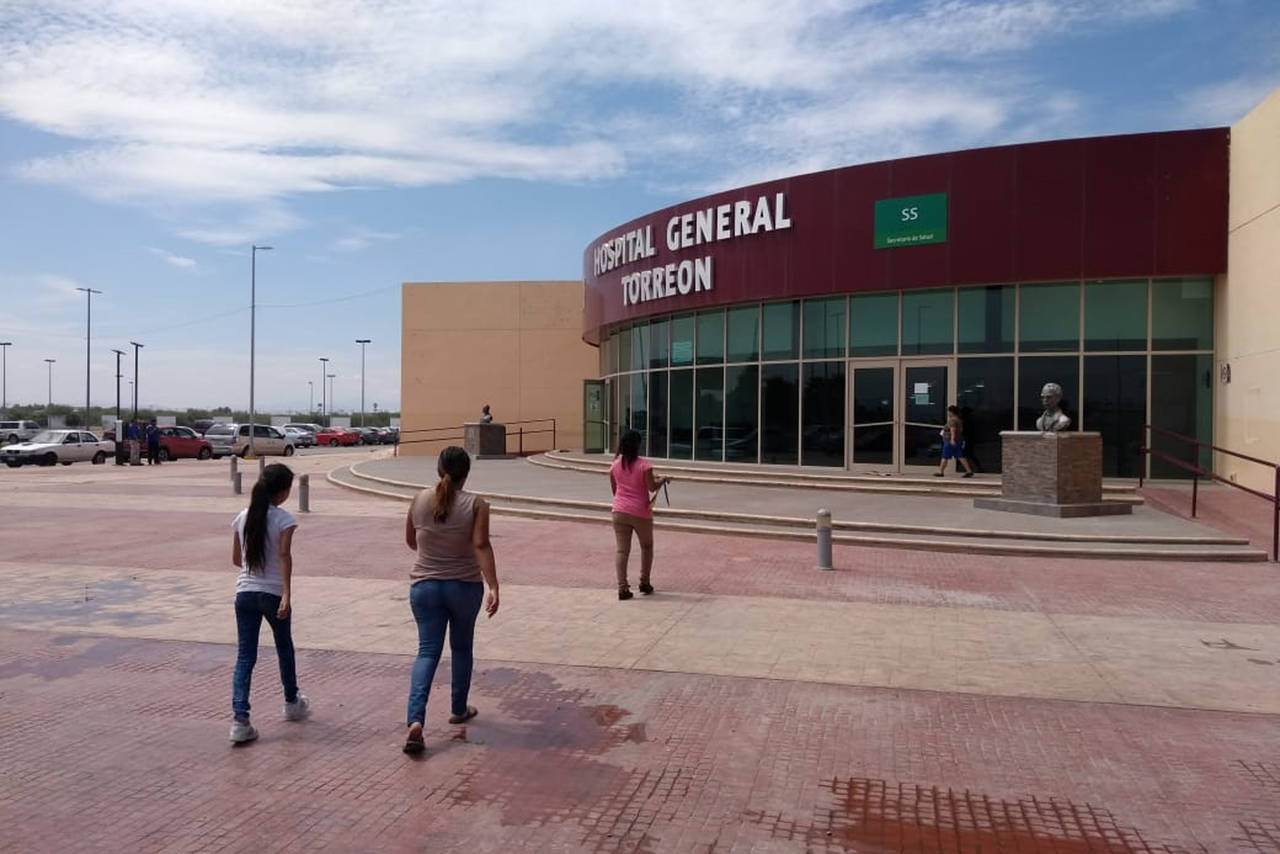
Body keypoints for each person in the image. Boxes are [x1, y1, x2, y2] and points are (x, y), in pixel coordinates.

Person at [403, 446, 500, 755]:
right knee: (461, 648)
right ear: (466, 473)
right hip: (464, 587)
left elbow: (411, 541)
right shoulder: (477, 504)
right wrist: (493, 585)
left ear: (438, 469)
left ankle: (415, 720)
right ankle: (458, 708)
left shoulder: (419, 499)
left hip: (424, 587)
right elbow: (481, 545)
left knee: (426, 652)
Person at [229, 463, 310, 744]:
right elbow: (285, 557)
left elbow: (237, 560)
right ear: (283, 491)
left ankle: (240, 720)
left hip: (244, 593)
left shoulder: (243, 517)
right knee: (284, 647)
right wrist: (286, 594)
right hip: (273, 593)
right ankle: (291, 702)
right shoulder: (284, 520)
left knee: (245, 657)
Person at [609, 429, 670, 601]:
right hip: (640, 512)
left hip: (619, 511)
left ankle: (622, 588)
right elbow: (651, 487)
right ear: (637, 445)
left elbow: (615, 490)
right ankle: (644, 582)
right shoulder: (644, 465)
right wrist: (662, 480)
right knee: (647, 546)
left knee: (622, 550)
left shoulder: (615, 465)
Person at [936, 405, 975, 478]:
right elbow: (960, 430)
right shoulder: (959, 420)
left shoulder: (952, 420)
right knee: (960, 456)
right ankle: (969, 471)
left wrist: (952, 439)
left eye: (949, 411)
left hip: (950, 441)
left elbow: (952, 430)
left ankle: (941, 472)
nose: (948, 413)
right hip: (958, 440)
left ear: (952, 412)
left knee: (945, 456)